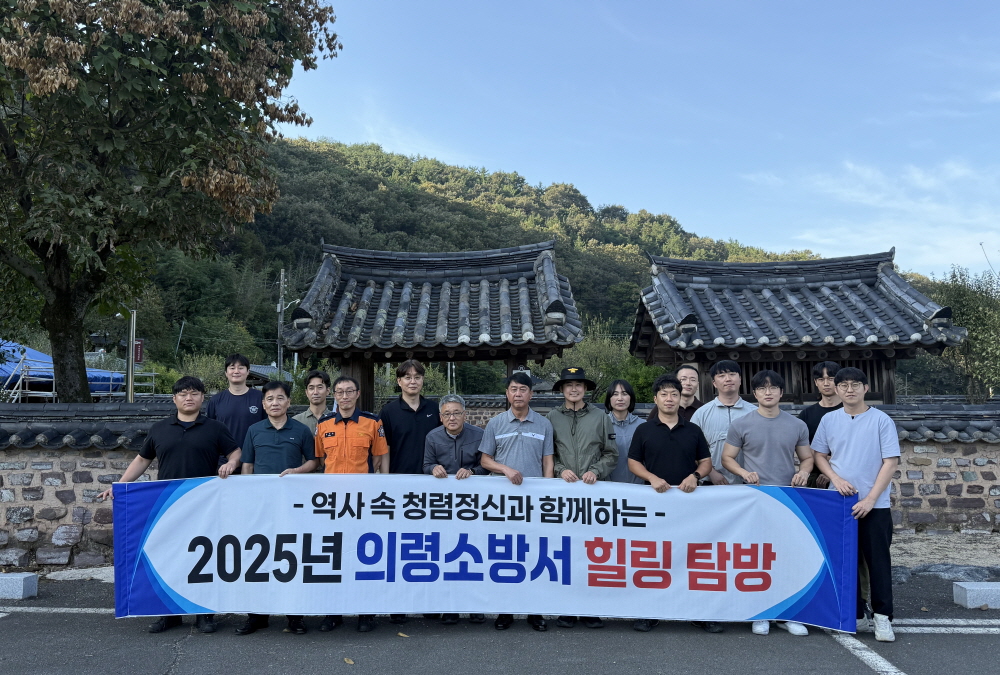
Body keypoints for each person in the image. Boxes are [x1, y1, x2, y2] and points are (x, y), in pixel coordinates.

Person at [98, 376, 240, 635]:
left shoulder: (215, 428)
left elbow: (235, 452)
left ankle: (204, 614)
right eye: (183, 393)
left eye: (194, 393)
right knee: (170, 558)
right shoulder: (159, 429)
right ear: (174, 399)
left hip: (204, 504)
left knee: (204, 559)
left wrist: (231, 463)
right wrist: (120, 485)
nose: (189, 398)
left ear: (202, 398)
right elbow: (142, 460)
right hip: (167, 505)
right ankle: (169, 614)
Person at [720, 369, 813, 638]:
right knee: (757, 558)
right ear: (755, 393)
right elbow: (727, 458)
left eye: (773, 388)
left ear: (781, 393)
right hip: (755, 499)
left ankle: (787, 614)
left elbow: (807, 458)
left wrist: (804, 472)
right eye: (762, 388)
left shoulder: (796, 425)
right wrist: (743, 473)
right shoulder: (741, 424)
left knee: (786, 557)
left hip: (787, 499)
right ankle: (760, 612)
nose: (768, 392)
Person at [812, 367, 900, 643]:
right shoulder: (829, 420)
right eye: (844, 385)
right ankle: (855, 614)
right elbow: (819, 454)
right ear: (836, 389)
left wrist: (871, 499)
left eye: (855, 385)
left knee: (878, 563)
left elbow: (890, 462)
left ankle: (883, 617)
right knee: (844, 561)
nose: (849, 390)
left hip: (876, 505)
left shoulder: (881, 420)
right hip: (840, 502)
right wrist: (835, 479)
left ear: (865, 388)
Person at [627, 374, 715, 634]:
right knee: (655, 559)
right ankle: (650, 612)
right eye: (664, 394)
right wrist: (652, 478)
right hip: (653, 504)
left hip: (689, 505)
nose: (669, 399)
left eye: (674, 394)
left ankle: (699, 613)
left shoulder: (693, 430)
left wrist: (695, 476)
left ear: (681, 397)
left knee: (692, 558)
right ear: (655, 399)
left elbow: (706, 462)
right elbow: (633, 462)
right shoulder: (644, 429)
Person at [235, 380, 318, 637]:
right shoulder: (254, 430)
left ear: (289, 402)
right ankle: (257, 616)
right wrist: (248, 498)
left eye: (280, 398)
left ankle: (295, 616)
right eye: (270, 399)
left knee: (292, 557)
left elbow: (314, 462)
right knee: (258, 557)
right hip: (261, 505)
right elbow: (247, 466)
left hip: (292, 505)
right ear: (263, 404)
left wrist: (296, 471)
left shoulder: (301, 430)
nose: (275, 403)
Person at [479, 372, 554, 632]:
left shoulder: (544, 424)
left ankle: (535, 611)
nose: (518, 393)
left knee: (534, 554)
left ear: (531, 394)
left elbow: (548, 462)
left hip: (533, 501)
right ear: (507, 394)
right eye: (513, 389)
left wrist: (547, 493)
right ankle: (505, 610)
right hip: (502, 502)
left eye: (523, 389)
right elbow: (485, 460)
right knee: (506, 555)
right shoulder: (496, 423)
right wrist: (505, 469)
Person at [314, 375, 389, 633]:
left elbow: (380, 457)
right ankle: (333, 612)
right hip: (333, 503)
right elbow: (321, 460)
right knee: (333, 557)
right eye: (340, 392)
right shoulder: (323, 424)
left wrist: (384, 489)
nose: (344, 396)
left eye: (349, 391)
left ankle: (366, 613)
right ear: (334, 395)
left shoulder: (372, 422)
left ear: (357, 394)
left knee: (364, 556)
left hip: (363, 501)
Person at [547, 367, 618, 630]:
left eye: (579, 384)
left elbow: (611, 453)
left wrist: (595, 471)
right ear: (562, 390)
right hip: (563, 495)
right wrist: (559, 470)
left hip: (593, 495)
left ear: (586, 389)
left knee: (593, 553)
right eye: (569, 385)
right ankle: (566, 608)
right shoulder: (551, 418)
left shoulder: (601, 417)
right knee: (565, 553)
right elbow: (548, 454)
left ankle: (591, 609)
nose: (574, 389)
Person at [379, 359, 442, 624]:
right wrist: (385, 482)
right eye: (407, 377)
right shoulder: (388, 411)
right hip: (399, 487)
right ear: (399, 381)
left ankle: (430, 602)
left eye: (417, 376)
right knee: (400, 547)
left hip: (433, 487)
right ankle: (399, 604)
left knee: (431, 546)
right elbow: (383, 449)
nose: (412, 381)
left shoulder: (435, 409)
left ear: (423, 380)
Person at [422, 393, 487, 625]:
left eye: (456, 413)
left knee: (473, 554)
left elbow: (486, 466)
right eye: (447, 414)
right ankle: (450, 607)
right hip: (444, 507)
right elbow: (426, 464)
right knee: (447, 554)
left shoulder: (479, 435)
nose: (452, 418)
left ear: (465, 415)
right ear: (440, 417)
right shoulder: (432, 437)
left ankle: (475, 606)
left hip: (473, 505)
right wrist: (433, 469)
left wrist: (472, 472)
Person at [690, 360, 757, 485]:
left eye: (732, 374)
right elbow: (692, 449)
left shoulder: (754, 412)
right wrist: (711, 473)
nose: (728, 379)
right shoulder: (701, 413)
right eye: (721, 376)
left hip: (749, 482)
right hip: (711, 482)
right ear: (714, 383)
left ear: (740, 379)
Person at [205, 353, 265, 472]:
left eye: (241, 368)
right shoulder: (215, 400)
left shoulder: (260, 398)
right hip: (224, 464)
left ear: (248, 372)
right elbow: (209, 432)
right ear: (226, 372)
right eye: (232, 368)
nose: (236, 371)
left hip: (255, 461)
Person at [798, 361, 842, 489]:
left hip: (846, 473)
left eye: (831, 379)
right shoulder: (806, 414)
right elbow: (803, 447)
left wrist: (833, 471)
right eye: (821, 379)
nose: (826, 383)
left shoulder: (849, 410)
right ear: (816, 382)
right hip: (814, 476)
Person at [605, 380, 644, 484]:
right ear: (609, 398)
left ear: (631, 397)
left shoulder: (643, 425)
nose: (620, 398)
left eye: (624, 394)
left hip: (638, 486)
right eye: (615, 394)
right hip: (609, 486)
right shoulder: (601, 425)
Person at [292, 369, 336, 436]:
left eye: (320, 387)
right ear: (306, 392)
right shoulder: (296, 421)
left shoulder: (336, 419)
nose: (315, 392)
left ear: (327, 391)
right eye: (311, 388)